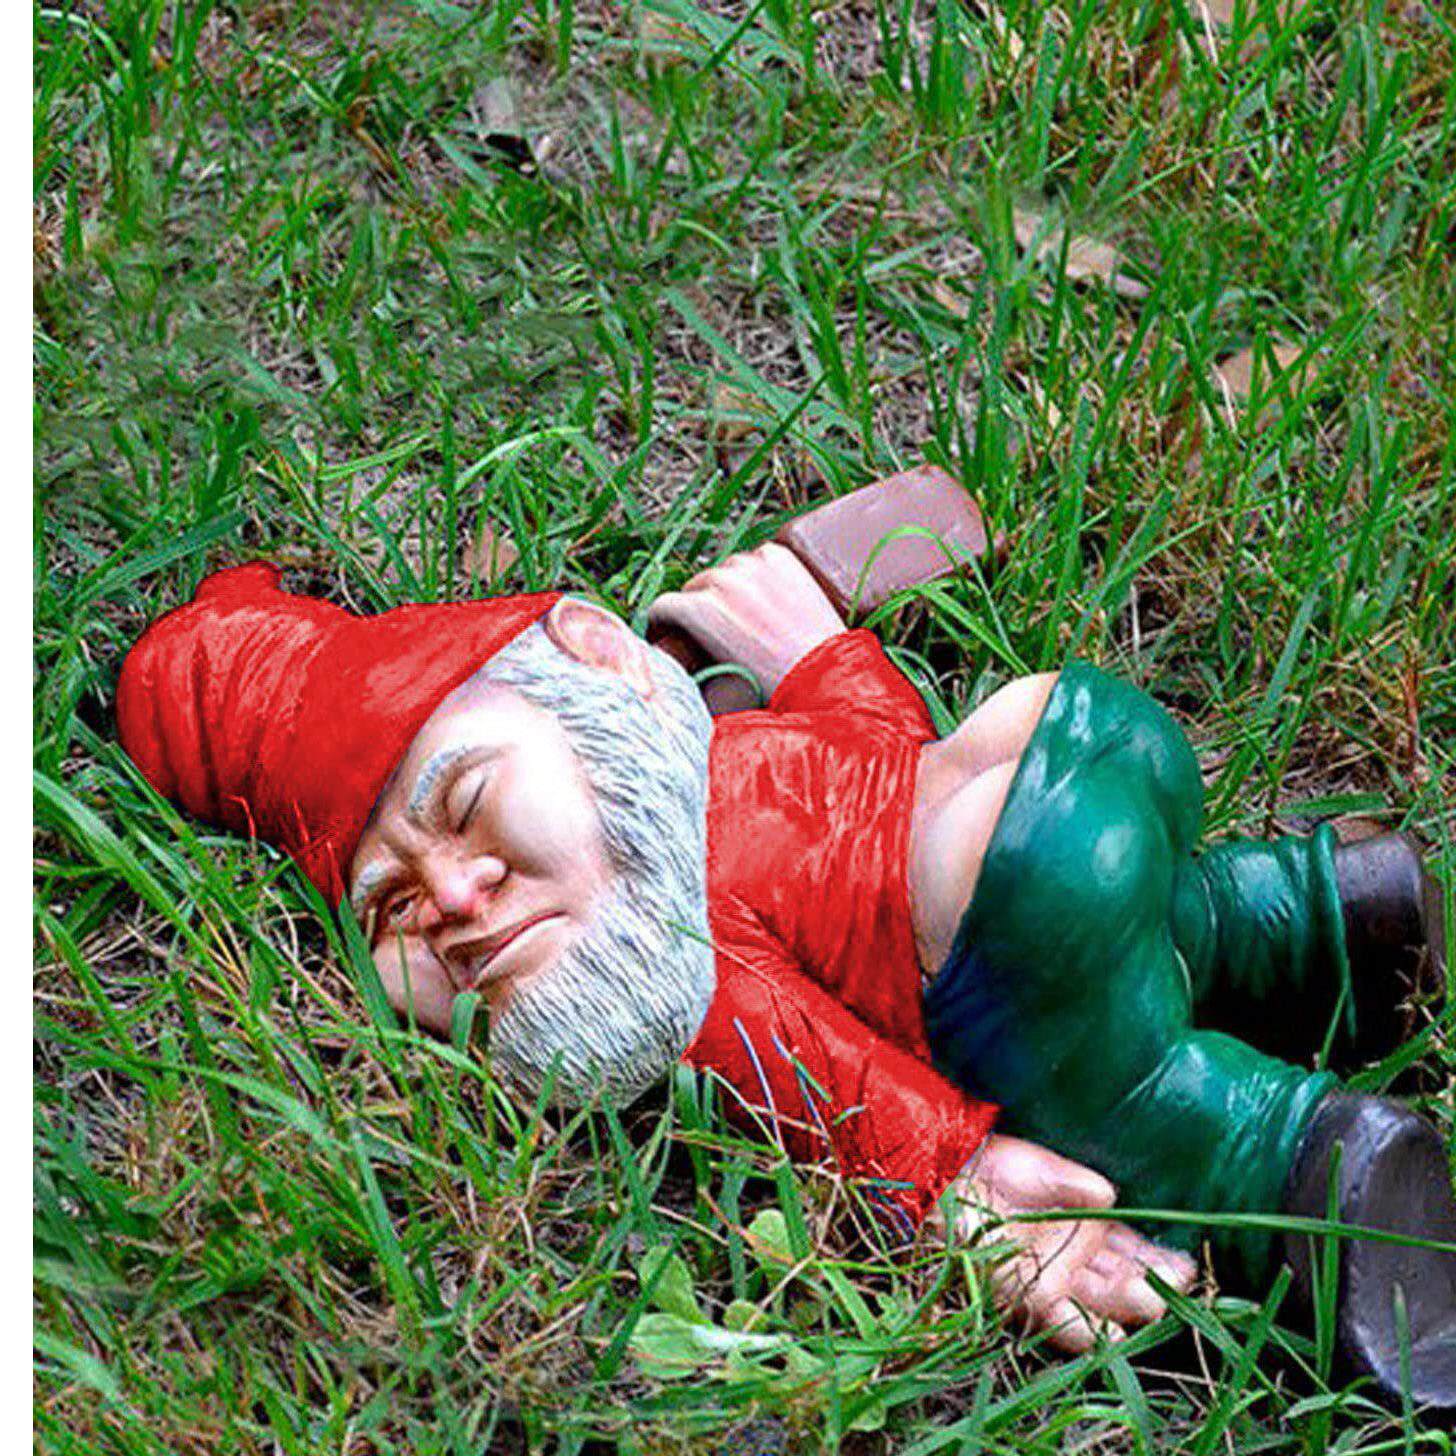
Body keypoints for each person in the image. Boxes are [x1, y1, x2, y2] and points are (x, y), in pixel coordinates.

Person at [116, 548, 1454, 1408]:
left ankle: (1319, 1176)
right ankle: (1325, 917)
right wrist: (821, 651)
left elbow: (812, 1064)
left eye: (468, 806)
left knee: (1140, 1093)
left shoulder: (675, 942)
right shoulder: (731, 752)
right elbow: (876, 736)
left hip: (1018, 915)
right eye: (393, 907)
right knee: (1178, 916)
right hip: (1079, 743)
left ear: (594, 659)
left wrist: (958, 1175)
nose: (459, 901)